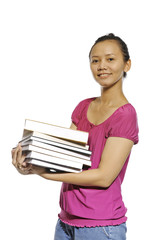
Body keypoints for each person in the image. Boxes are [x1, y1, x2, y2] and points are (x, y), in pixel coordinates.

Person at [12, 33, 139, 240]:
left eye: (110, 59)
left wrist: (44, 174)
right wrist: (28, 160)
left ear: (127, 65)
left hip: (100, 227)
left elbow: (103, 177)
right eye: (95, 60)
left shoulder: (125, 115)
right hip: (65, 222)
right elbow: (65, 158)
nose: (101, 66)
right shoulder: (83, 107)